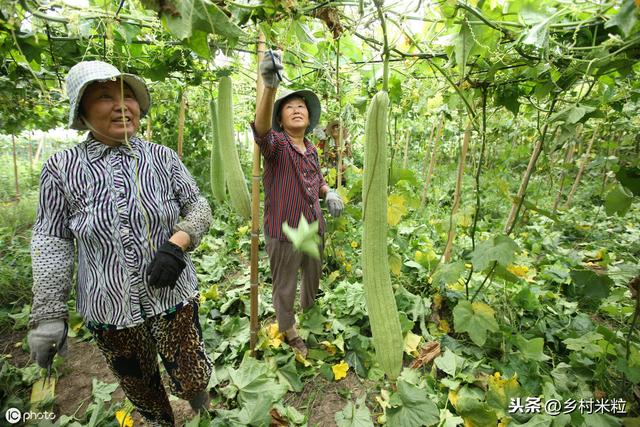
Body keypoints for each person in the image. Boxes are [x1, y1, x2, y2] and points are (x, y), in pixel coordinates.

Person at [27, 60, 212, 426]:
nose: (121, 105)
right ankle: (161, 420)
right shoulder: (62, 168)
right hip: (109, 308)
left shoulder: (162, 158)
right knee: (139, 382)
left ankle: (201, 406)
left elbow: (198, 205)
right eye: (104, 97)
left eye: (128, 97)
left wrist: (180, 241)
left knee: (191, 369)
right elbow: (51, 238)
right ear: (81, 110)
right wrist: (48, 315)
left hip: (173, 295)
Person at [253, 51, 344, 357]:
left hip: (313, 225)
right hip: (285, 230)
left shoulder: (312, 150)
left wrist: (328, 192)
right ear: (280, 118)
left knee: (313, 274)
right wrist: (270, 88)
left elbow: (316, 181)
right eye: (289, 107)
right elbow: (261, 130)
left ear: (308, 117)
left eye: (301, 107)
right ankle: (290, 331)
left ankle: (309, 312)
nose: (296, 110)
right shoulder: (276, 146)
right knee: (285, 284)